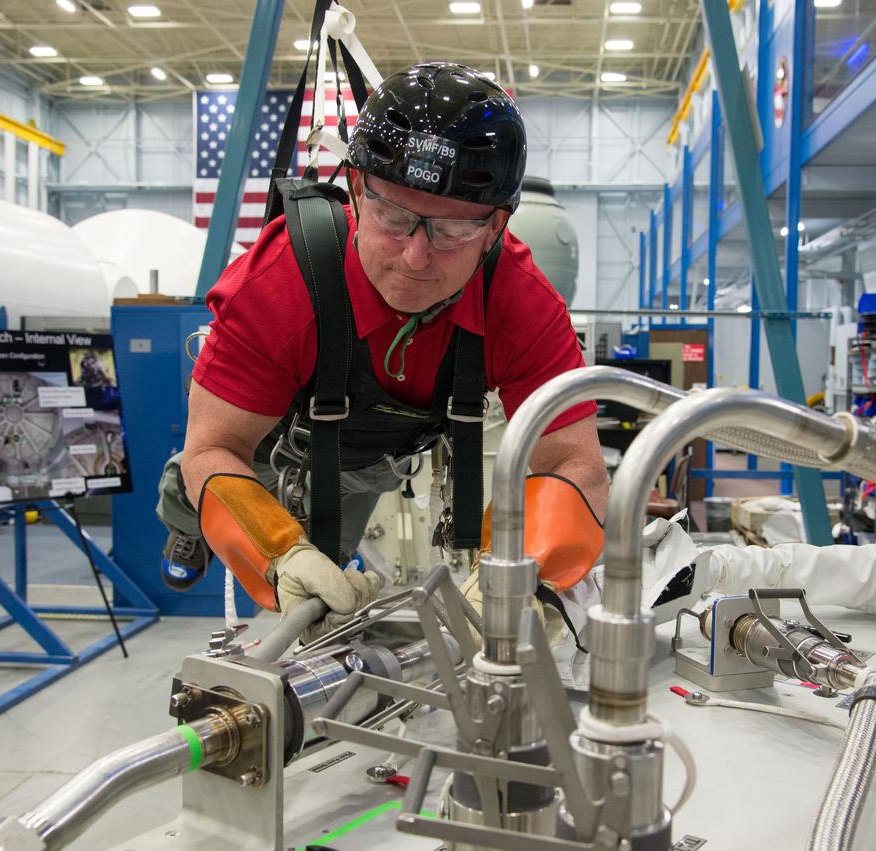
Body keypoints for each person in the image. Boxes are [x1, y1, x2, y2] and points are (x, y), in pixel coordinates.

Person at [156, 62, 608, 639]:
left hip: (369, 457)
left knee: (324, 579)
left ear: (496, 225)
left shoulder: (521, 303)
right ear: (354, 189)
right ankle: (185, 527)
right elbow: (214, 448)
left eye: (451, 232)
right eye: (393, 217)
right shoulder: (279, 285)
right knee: (187, 487)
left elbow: (575, 462)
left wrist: (520, 571)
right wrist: (272, 553)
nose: (416, 257)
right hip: (276, 435)